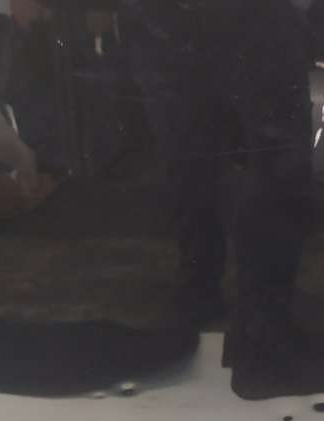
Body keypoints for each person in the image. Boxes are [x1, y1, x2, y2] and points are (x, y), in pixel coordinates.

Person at [122, 0, 314, 395]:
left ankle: (254, 315)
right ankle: (226, 303)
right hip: (169, 24)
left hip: (237, 22)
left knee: (268, 166)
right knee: (193, 164)